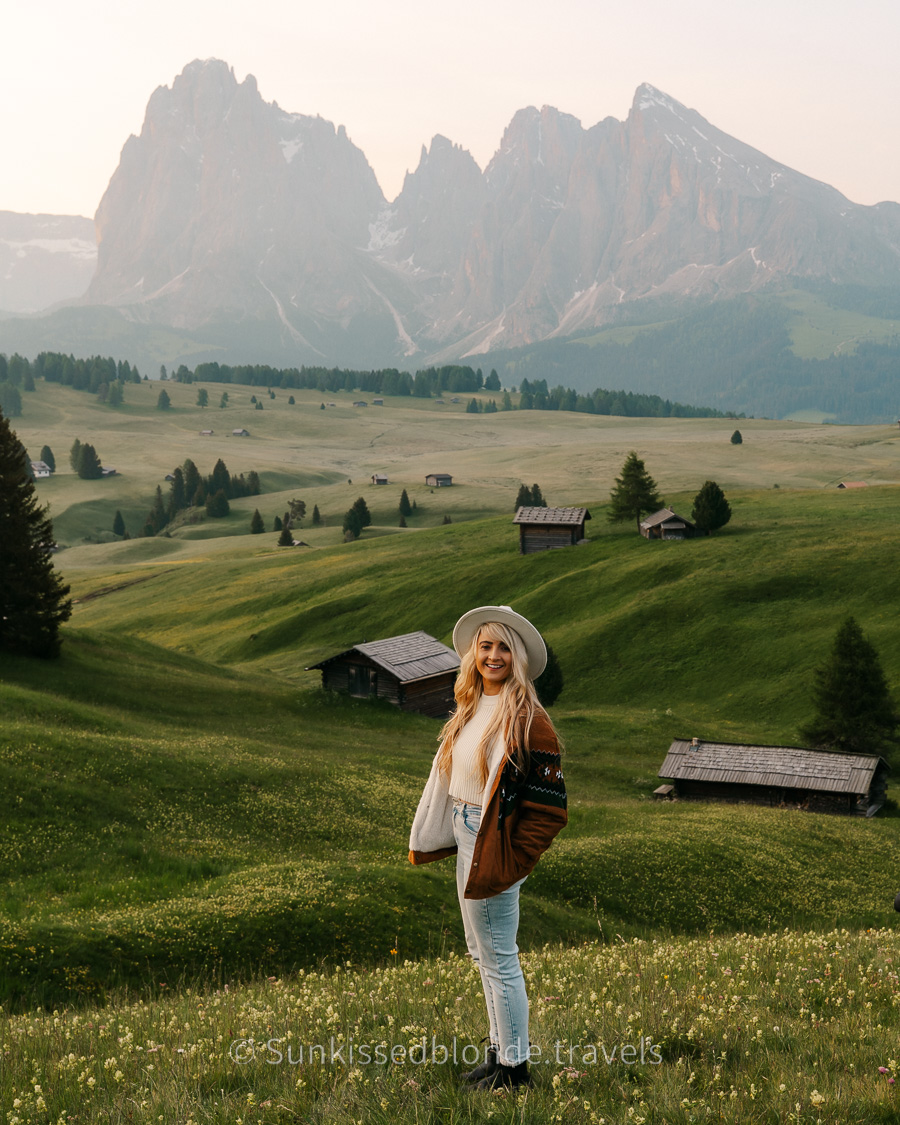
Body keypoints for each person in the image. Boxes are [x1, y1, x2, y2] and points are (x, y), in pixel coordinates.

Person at [408, 605, 567, 1091]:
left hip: (492, 841)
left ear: (516, 657)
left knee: (500, 955)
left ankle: (515, 1071)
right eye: (485, 646)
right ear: (473, 654)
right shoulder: (472, 706)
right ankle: (498, 1054)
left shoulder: (530, 720)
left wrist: (514, 862)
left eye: (503, 647)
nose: (493, 655)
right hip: (465, 830)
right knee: (483, 952)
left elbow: (549, 810)